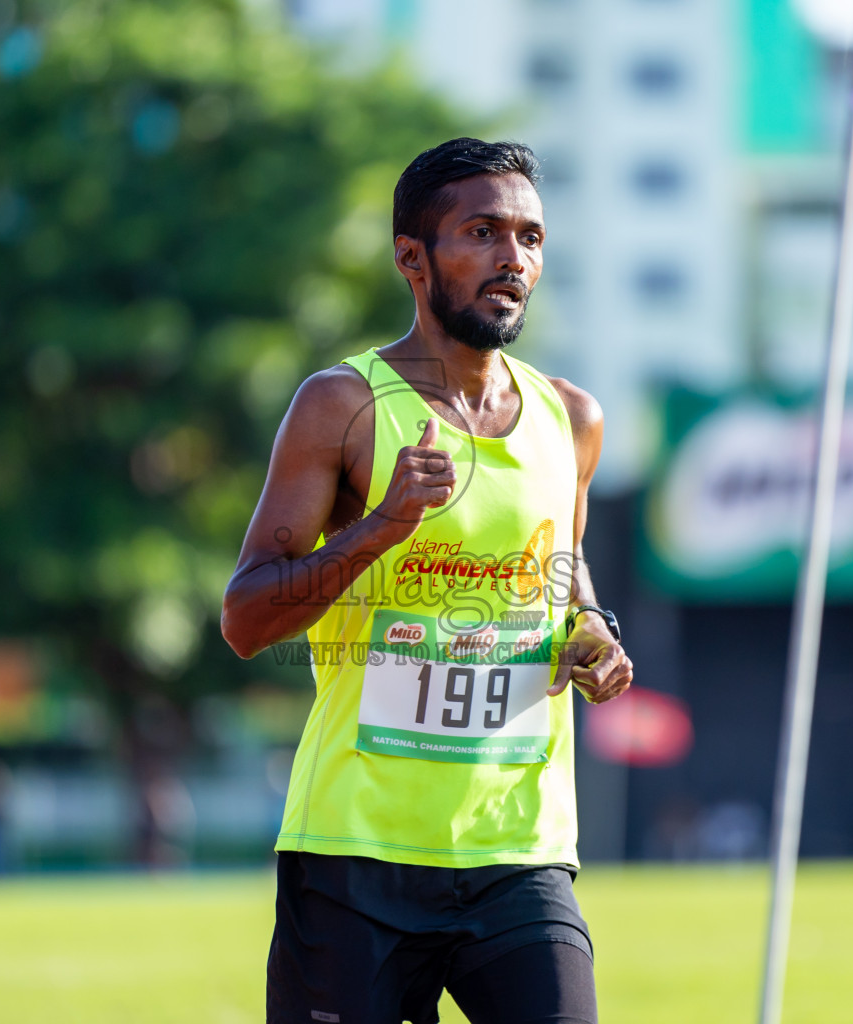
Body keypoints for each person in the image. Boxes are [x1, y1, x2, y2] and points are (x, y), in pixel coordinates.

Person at [223, 137, 633, 1024]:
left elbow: (563, 574)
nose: (512, 258)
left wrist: (591, 631)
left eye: (529, 237)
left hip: (518, 852)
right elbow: (247, 619)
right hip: (354, 856)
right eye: (482, 232)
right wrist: (381, 529)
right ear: (412, 258)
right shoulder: (343, 405)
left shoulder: (572, 419)